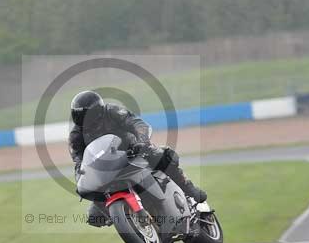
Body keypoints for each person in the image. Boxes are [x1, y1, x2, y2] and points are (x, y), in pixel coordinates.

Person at [68, 90, 207, 228]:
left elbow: (138, 124)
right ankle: (127, 219)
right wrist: (82, 180)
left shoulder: (112, 112)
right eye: (78, 114)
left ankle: (187, 187)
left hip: (131, 151)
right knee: (94, 216)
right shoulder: (76, 135)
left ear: (97, 111)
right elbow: (79, 161)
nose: (83, 118)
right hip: (107, 169)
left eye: (86, 114)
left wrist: (142, 142)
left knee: (163, 156)